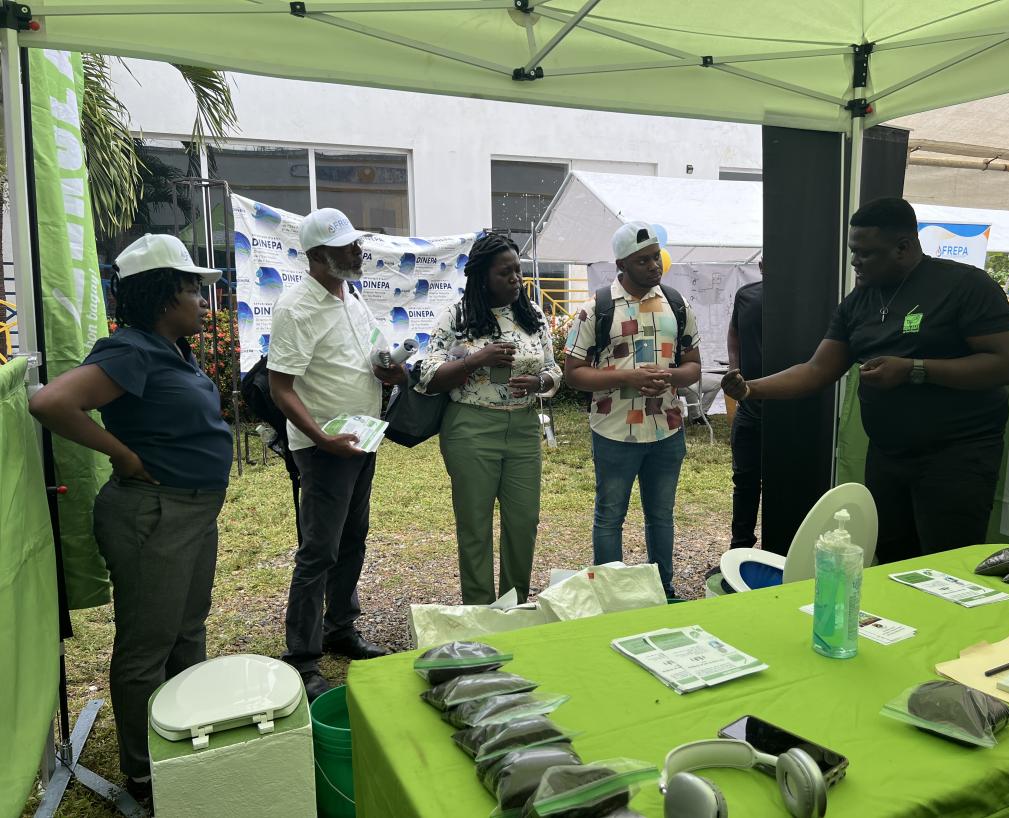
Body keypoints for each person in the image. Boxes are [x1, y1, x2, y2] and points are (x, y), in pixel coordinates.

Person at [29, 234, 232, 802]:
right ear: (163, 295)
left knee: (187, 632)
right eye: (192, 289)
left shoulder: (173, 350)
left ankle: (186, 736)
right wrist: (120, 453)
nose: (201, 301)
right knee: (149, 643)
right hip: (153, 515)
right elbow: (50, 402)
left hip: (190, 513)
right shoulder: (132, 350)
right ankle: (146, 773)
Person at [722, 198, 1009, 564]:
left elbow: (1008, 365)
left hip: (956, 456)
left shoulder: (964, 286)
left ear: (904, 247)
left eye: (866, 253)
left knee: (946, 565)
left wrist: (915, 368)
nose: (855, 262)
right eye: (853, 251)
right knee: (891, 561)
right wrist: (752, 388)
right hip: (888, 456)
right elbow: (817, 369)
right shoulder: (858, 302)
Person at [267, 207, 405, 701]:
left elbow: (367, 356)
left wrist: (388, 371)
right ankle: (302, 658)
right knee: (319, 550)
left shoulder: (350, 296)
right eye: (347, 247)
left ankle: (340, 628)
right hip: (325, 447)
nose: (357, 251)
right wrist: (322, 439)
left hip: (361, 437)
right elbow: (280, 386)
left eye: (356, 243)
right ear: (319, 257)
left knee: (354, 537)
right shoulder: (296, 308)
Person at [418, 233, 561, 604]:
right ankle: (480, 610)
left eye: (517, 271)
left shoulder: (532, 317)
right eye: (505, 273)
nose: (515, 279)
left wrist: (540, 382)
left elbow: (553, 370)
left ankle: (513, 605)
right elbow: (427, 375)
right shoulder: (458, 317)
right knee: (475, 525)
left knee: (523, 523)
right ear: (482, 277)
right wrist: (475, 360)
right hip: (471, 428)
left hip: (524, 428)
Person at [564, 221, 701, 597]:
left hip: (667, 429)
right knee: (610, 516)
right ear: (621, 264)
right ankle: (612, 594)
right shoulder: (597, 309)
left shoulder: (676, 304)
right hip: (615, 431)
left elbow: (694, 367)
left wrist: (670, 377)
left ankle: (664, 589)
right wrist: (628, 377)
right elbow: (573, 374)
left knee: (661, 516)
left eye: (656, 257)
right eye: (643, 261)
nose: (654, 266)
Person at [727, 262, 763, 549]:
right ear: (761, 266)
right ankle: (739, 549)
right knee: (744, 481)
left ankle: (781, 550)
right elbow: (734, 335)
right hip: (750, 407)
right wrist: (735, 368)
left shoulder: (804, 301)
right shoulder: (746, 295)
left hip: (790, 409)